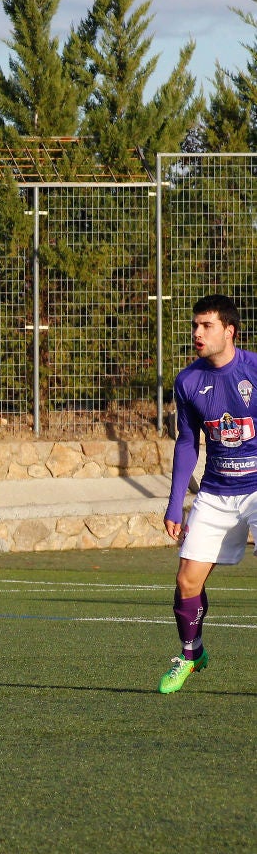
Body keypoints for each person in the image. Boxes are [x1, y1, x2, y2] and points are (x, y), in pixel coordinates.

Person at [158, 294, 257, 694]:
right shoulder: (188, 381)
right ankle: (191, 653)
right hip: (216, 492)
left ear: (230, 331)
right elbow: (187, 444)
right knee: (187, 582)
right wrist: (174, 505)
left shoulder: (254, 371)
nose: (197, 333)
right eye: (195, 326)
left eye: (206, 326)